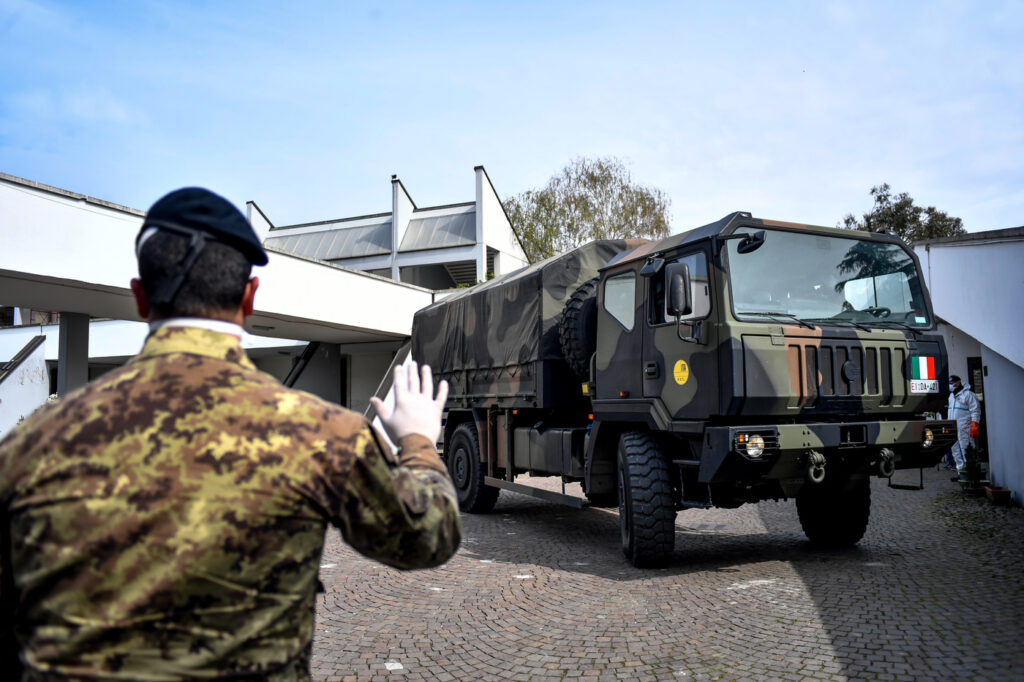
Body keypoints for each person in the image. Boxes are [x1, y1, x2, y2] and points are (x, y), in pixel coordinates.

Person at [0, 187, 461, 678]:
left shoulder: (34, 442)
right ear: (249, 297)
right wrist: (417, 440)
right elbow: (427, 535)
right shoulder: (321, 433)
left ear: (141, 297)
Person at [946, 374, 981, 481]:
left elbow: (975, 410)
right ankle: (961, 472)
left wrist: (975, 424)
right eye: (950, 384)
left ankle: (970, 472)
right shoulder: (951, 396)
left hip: (964, 426)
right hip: (953, 426)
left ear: (958, 383)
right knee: (955, 450)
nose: (951, 386)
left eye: (952, 384)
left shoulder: (969, 395)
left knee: (966, 448)